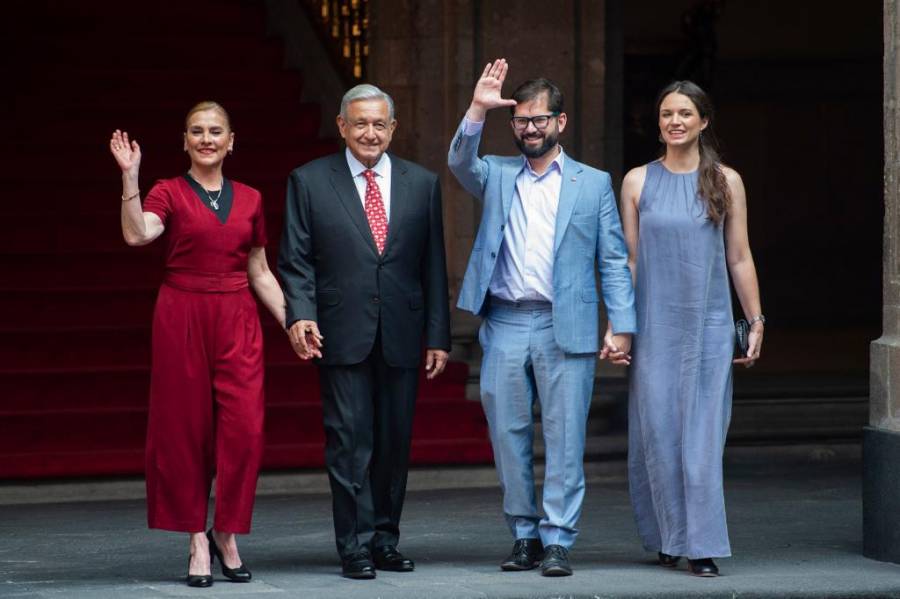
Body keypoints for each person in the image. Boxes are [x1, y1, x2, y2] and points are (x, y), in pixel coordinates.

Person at [448, 58, 636, 577]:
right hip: (505, 321)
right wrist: (477, 111)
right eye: (522, 121)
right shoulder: (499, 173)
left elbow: (613, 258)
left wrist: (621, 324)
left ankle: (557, 538)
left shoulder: (592, 183)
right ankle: (524, 535)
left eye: (540, 120)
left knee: (565, 435)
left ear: (561, 122)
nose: (530, 129)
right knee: (507, 434)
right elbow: (460, 163)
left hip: (565, 324)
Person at [109, 101, 295, 588]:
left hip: (237, 317)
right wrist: (131, 178)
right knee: (185, 429)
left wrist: (293, 323)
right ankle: (196, 537)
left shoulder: (251, 198)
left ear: (232, 141)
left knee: (245, 430)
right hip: (182, 314)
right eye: (197, 131)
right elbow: (137, 235)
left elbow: (259, 271)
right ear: (185, 140)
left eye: (216, 131)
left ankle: (227, 531)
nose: (207, 138)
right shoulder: (168, 191)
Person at [278, 84, 451, 579]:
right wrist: (301, 313)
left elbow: (432, 264)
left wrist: (438, 334)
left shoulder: (422, 183)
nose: (370, 133)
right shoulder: (309, 181)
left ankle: (384, 540)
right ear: (342, 126)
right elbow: (295, 260)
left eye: (379, 124)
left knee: (395, 443)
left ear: (392, 128)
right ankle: (353, 544)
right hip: (340, 329)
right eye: (360, 124)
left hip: (402, 329)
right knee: (349, 442)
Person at [618, 80, 764, 577]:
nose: (674, 121)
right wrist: (620, 326)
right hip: (654, 326)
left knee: (701, 439)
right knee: (657, 436)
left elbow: (739, 256)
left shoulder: (726, 180)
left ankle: (700, 544)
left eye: (684, 113)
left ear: (703, 121)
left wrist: (755, 319)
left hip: (709, 325)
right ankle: (666, 535)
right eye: (665, 114)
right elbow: (631, 261)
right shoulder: (637, 181)